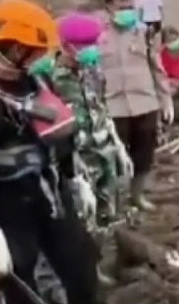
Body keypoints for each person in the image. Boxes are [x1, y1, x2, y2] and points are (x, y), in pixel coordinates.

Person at [0, 0, 105, 304]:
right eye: (37, 49)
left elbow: (60, 136)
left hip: (52, 197)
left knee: (84, 272)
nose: (44, 55)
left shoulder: (38, 85)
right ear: (17, 49)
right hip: (8, 209)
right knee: (22, 291)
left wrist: (75, 180)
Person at [51, 12, 133, 234]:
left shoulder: (93, 71)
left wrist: (118, 146)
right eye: (84, 45)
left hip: (104, 152)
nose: (91, 49)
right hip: (77, 161)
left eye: (93, 44)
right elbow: (52, 132)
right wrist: (73, 175)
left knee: (110, 214)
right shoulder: (50, 81)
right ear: (66, 46)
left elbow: (102, 107)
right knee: (82, 221)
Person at [98, 0, 173, 212]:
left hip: (145, 103)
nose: (128, 12)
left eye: (131, 8)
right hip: (113, 106)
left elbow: (157, 69)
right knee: (113, 158)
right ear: (109, 6)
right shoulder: (97, 37)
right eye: (123, 8)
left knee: (144, 154)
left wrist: (165, 100)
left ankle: (137, 196)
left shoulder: (144, 34)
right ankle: (114, 201)